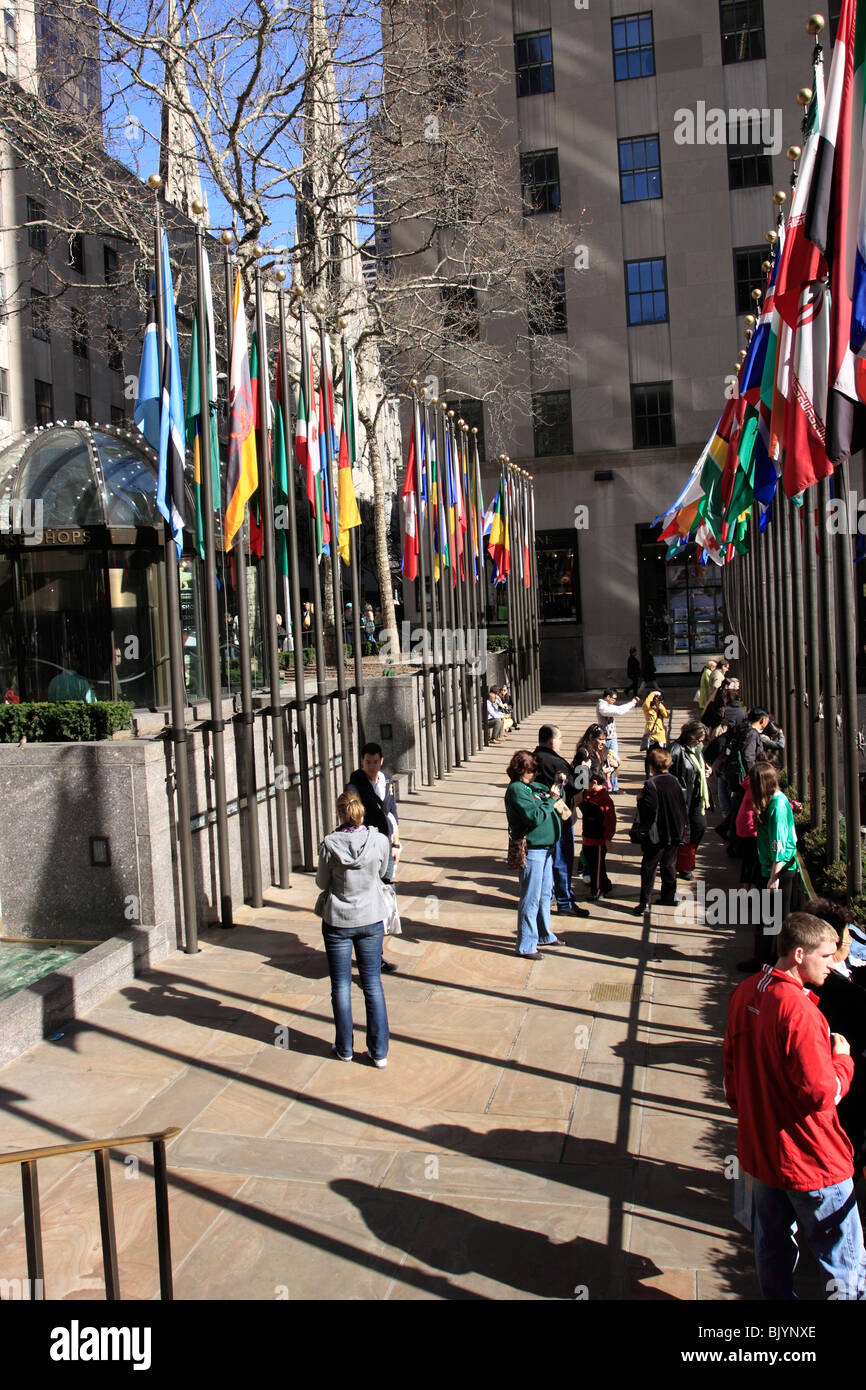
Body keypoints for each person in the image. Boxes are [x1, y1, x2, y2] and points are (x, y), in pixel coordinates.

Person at [723, 911, 866, 1300]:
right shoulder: (801, 1012)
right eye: (827, 956)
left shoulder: (747, 991)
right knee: (842, 1260)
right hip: (812, 1160)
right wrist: (843, 1060)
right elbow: (821, 1094)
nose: (834, 964)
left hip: (763, 1151)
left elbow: (732, 1079)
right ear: (800, 954)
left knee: (773, 1245)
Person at [316, 789, 391, 1067]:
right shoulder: (378, 840)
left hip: (338, 920)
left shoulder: (329, 844)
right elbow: (385, 872)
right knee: (372, 984)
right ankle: (379, 1051)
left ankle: (345, 1047)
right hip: (370, 918)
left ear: (339, 813)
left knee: (341, 985)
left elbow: (322, 883)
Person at [809, 897, 866, 1176]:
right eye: (846, 934)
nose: (850, 940)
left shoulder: (806, 977)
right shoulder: (841, 992)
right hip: (847, 1091)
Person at [504, 749, 570, 958]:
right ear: (522, 770)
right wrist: (550, 799)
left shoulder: (535, 786)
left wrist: (558, 786)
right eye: (532, 770)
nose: (535, 774)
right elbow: (535, 817)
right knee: (530, 897)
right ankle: (526, 944)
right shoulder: (517, 790)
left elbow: (561, 802)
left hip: (547, 849)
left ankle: (543, 933)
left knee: (543, 895)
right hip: (532, 849)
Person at [736, 761, 800, 973]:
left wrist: (774, 876)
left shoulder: (777, 806)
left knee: (774, 917)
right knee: (768, 916)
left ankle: (771, 961)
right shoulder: (775, 802)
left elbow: (780, 844)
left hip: (778, 870)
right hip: (770, 866)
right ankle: (766, 958)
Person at [347, 743, 402, 973]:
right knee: (370, 901)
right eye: (367, 761)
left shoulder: (387, 780)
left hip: (387, 847)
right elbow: (351, 816)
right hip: (369, 848)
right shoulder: (355, 786)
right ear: (362, 761)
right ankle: (371, 956)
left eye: (375, 761)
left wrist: (397, 843)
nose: (371, 766)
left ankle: (376, 953)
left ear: (381, 760)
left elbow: (392, 813)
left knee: (385, 896)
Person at [533, 724, 589, 918]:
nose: (561, 742)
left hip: (543, 818)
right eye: (560, 739)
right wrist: (583, 766)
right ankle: (564, 901)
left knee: (549, 862)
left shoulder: (535, 758)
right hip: (560, 818)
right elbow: (579, 785)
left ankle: (548, 898)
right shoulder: (553, 762)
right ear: (551, 741)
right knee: (562, 860)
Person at [633, 747, 687, 914]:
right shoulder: (675, 781)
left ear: (652, 766)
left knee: (649, 867)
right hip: (674, 829)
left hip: (657, 833)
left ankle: (645, 902)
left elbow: (649, 808)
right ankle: (668, 896)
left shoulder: (651, 784)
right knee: (669, 865)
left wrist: (639, 800)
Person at [668, 720, 710, 881]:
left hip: (697, 796)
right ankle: (684, 865)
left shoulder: (696, 748)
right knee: (685, 833)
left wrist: (706, 769)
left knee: (700, 826)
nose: (701, 742)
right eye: (698, 738)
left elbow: (698, 766)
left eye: (702, 739)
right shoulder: (675, 750)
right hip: (682, 798)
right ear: (690, 735)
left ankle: (685, 860)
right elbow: (665, 771)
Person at [579, 769, 616, 902]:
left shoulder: (604, 799)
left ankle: (598, 890)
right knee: (594, 864)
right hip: (588, 837)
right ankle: (605, 884)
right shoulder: (590, 795)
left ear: (594, 783)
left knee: (597, 866)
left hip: (598, 839)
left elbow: (610, 821)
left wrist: (608, 838)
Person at [596, 689, 637, 794]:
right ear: (608, 697)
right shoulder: (602, 707)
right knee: (610, 762)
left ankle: (613, 786)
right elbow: (619, 711)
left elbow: (619, 709)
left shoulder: (607, 706)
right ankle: (611, 786)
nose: (614, 700)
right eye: (613, 698)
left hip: (611, 738)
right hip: (607, 739)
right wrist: (632, 703)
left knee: (613, 762)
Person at [641, 685, 669, 775]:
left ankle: (659, 772)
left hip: (660, 735)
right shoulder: (647, 708)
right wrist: (652, 694)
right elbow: (645, 704)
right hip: (651, 735)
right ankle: (648, 775)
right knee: (649, 756)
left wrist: (659, 704)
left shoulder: (659, 708)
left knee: (660, 755)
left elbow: (666, 715)